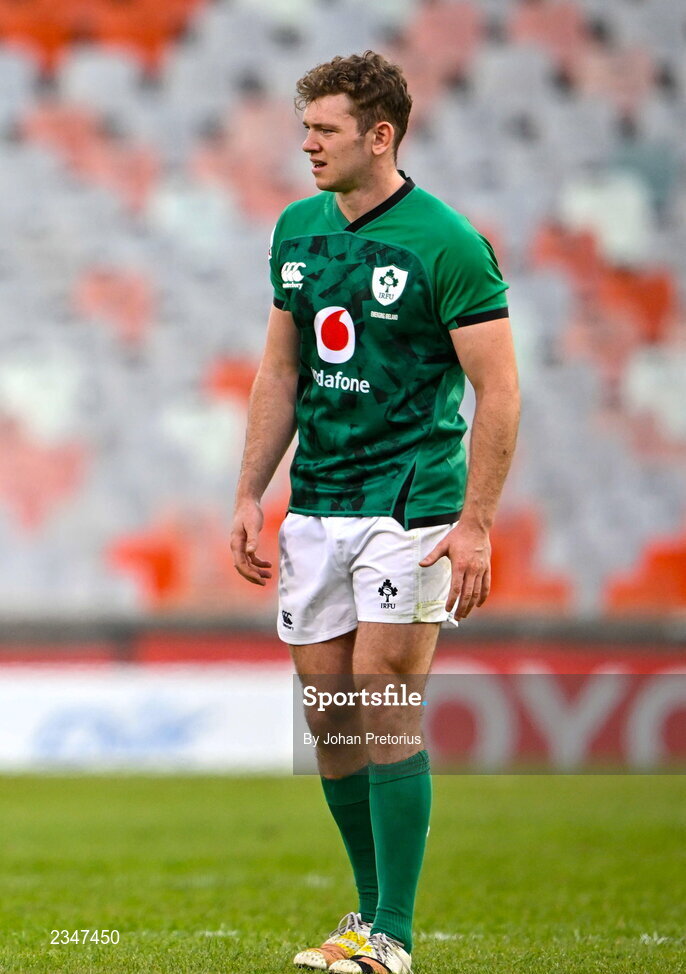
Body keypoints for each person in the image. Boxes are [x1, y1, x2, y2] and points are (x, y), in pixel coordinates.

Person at [231, 51, 520, 974]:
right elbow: (282, 368)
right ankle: (368, 919)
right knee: (329, 714)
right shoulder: (296, 229)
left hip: (413, 501)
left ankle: (391, 933)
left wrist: (475, 522)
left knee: (382, 695)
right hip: (318, 500)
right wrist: (249, 491)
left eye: (325, 129)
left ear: (380, 135)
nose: (306, 143)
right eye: (304, 126)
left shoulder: (447, 242)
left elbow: (499, 390)